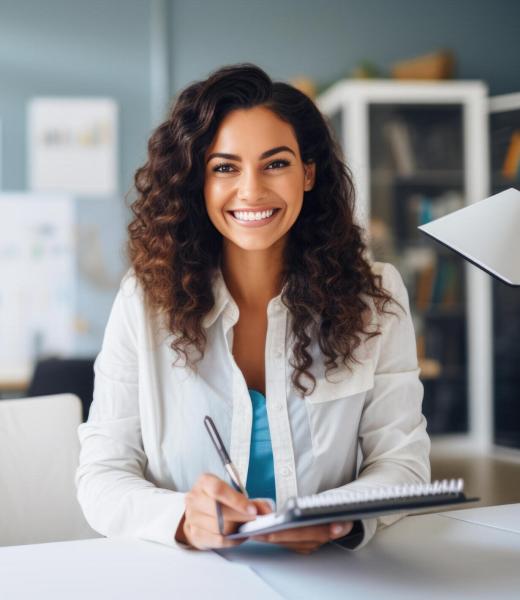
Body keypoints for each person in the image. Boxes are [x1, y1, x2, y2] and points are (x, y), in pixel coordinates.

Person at [76, 63, 430, 555]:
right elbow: (101, 476)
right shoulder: (145, 302)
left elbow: (403, 462)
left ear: (307, 173)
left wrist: (335, 520)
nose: (251, 190)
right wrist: (182, 518)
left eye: (275, 164)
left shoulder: (375, 298)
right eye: (225, 167)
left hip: (333, 579)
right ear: (197, 180)